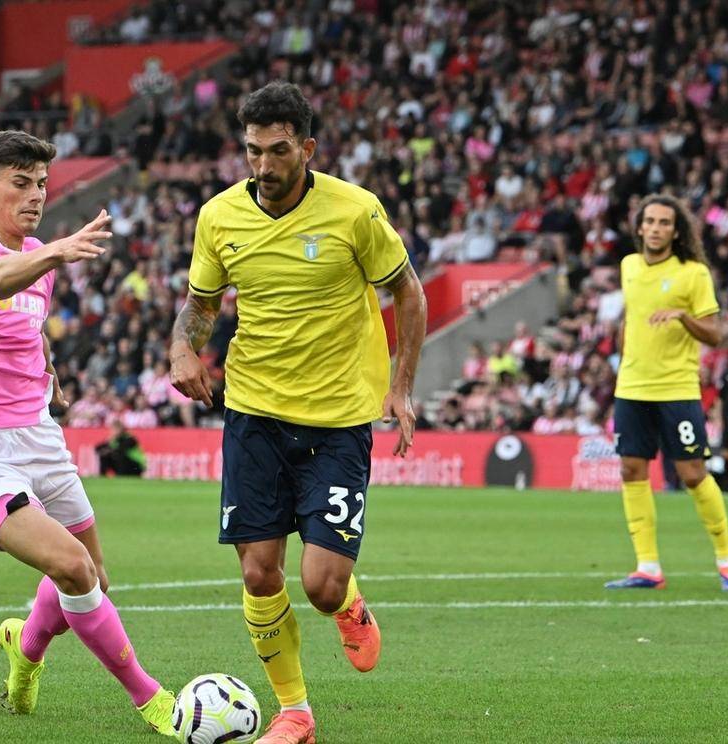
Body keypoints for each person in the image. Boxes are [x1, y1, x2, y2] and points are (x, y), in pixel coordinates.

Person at [169, 82, 427, 744]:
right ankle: (296, 713)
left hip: (337, 420)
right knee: (259, 571)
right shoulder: (219, 217)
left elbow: (408, 291)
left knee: (321, 585)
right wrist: (182, 349)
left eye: (278, 150)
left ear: (307, 149)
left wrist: (401, 386)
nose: (263, 164)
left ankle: (348, 604)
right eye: (253, 150)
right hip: (253, 413)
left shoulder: (355, 211)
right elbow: (201, 303)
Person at [0, 131, 176, 736]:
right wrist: (56, 251)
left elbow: (28, 330)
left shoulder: (37, 259)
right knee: (72, 566)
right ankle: (152, 699)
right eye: (21, 183)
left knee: (93, 575)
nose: (35, 195)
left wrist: (50, 377)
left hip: (38, 435)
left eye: (41, 185)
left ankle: (24, 652)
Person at [605, 194, 728, 592]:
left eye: (664, 222)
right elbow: (633, 319)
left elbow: (715, 334)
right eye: (649, 221)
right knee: (631, 470)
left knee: (692, 473)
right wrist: (624, 356)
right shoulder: (629, 266)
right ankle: (647, 567)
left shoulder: (693, 274)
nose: (655, 228)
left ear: (676, 231)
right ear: (639, 227)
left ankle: (727, 561)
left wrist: (683, 316)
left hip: (676, 388)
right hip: (632, 387)